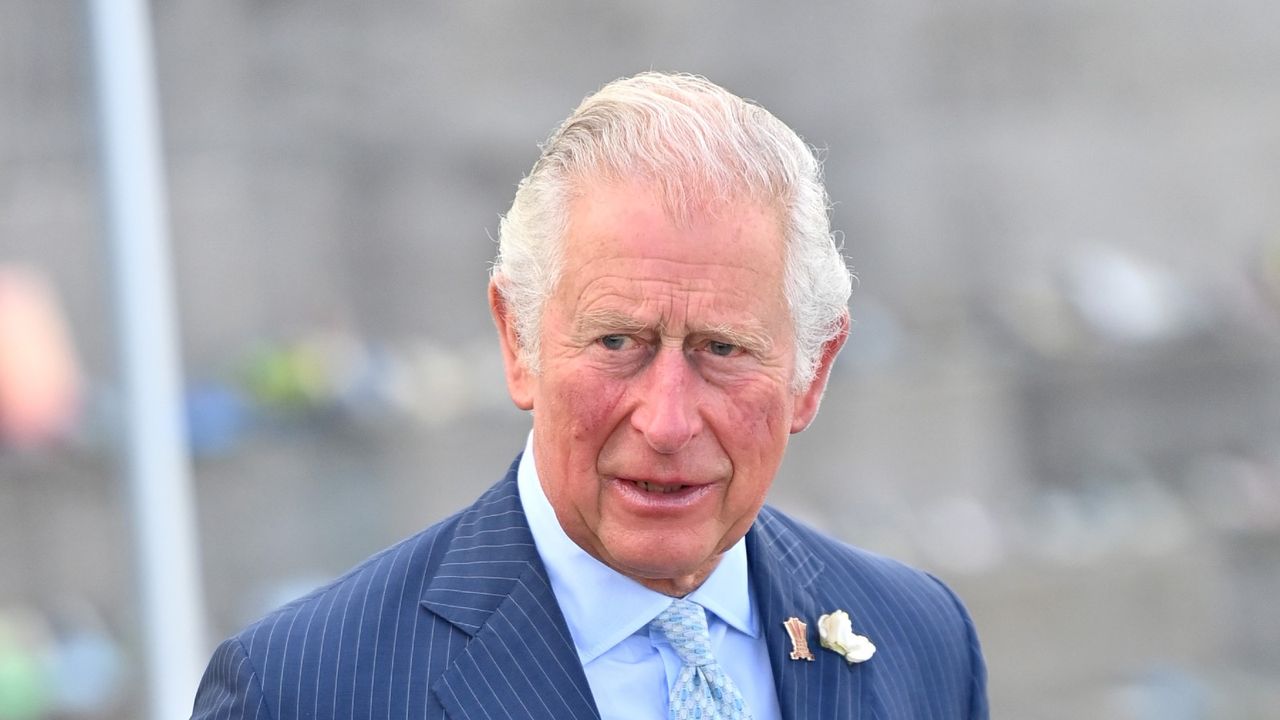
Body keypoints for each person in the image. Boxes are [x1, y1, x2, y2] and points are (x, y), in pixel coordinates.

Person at [191, 71, 988, 720]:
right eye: (617, 343)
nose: (667, 421)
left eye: (722, 349)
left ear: (811, 373)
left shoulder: (923, 640)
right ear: (518, 341)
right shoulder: (302, 692)